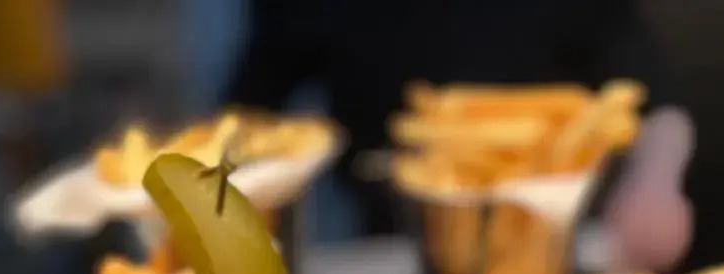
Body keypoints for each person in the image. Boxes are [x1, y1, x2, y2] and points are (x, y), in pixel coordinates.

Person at [227, 0, 670, 238]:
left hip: (564, 238)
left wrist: (654, 184)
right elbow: (245, 113)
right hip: (387, 243)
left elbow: (658, 104)